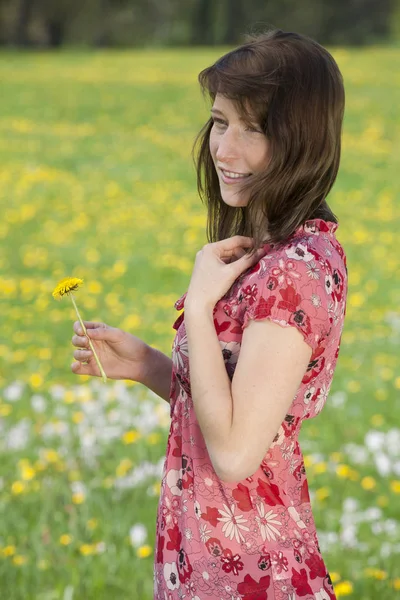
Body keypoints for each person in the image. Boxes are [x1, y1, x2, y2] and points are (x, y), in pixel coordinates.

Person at [71, 28, 347, 600]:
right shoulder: (271, 248)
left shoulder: (293, 271)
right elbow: (243, 407)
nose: (224, 149)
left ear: (304, 139)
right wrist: (150, 366)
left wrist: (198, 306)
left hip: (250, 569)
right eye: (221, 122)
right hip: (210, 557)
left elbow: (236, 452)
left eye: (255, 128)